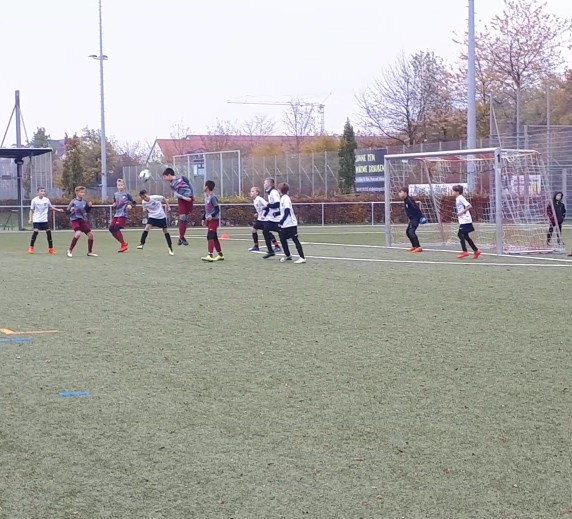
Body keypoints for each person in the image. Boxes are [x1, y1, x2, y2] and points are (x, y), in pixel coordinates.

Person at [136, 190, 174, 255]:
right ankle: (141, 244)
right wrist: (144, 210)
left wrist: (168, 206)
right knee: (147, 228)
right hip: (152, 216)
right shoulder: (143, 202)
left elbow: (164, 198)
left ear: (147, 194)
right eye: (143, 198)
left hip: (161, 216)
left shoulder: (155, 197)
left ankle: (170, 247)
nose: (145, 198)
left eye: (145, 196)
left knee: (165, 231)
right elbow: (144, 208)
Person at [162, 167, 194, 246]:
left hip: (189, 198)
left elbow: (190, 185)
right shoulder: (171, 184)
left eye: (165, 177)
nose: (165, 179)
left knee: (186, 218)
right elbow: (176, 194)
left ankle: (180, 237)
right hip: (182, 200)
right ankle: (182, 238)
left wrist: (192, 195)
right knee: (182, 217)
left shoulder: (182, 178)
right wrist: (184, 198)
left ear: (169, 175)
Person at [28, 187, 63, 254]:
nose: (43, 192)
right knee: (36, 231)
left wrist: (58, 210)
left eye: (44, 191)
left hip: (44, 219)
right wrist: (30, 219)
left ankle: (51, 248)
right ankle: (31, 247)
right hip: (36, 219)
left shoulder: (46, 200)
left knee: (48, 232)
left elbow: (50, 207)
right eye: (41, 191)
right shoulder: (34, 200)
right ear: (38, 192)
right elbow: (31, 210)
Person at [277, 182, 306, 264]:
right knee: (282, 238)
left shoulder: (285, 198)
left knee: (295, 240)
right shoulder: (283, 198)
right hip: (285, 224)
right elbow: (283, 211)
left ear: (280, 190)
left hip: (290, 224)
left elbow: (287, 210)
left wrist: (281, 221)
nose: (277, 190)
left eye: (278, 189)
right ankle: (288, 255)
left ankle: (302, 257)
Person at [66, 186, 97, 258]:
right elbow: (67, 212)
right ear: (77, 193)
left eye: (84, 192)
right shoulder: (73, 202)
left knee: (90, 235)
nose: (83, 194)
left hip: (82, 220)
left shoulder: (84, 202)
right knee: (78, 234)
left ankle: (89, 252)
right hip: (74, 220)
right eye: (81, 192)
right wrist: (71, 211)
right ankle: (69, 250)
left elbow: (86, 211)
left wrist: (89, 206)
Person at [248, 186, 280, 253]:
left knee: (266, 231)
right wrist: (258, 214)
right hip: (260, 219)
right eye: (251, 191)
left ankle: (277, 246)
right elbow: (261, 209)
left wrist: (264, 215)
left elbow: (268, 207)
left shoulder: (260, 199)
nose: (251, 192)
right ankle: (256, 246)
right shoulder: (255, 200)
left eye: (253, 191)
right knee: (254, 230)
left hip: (265, 219)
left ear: (257, 193)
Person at [452, 184, 480, 259]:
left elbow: (469, 206)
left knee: (460, 234)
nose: (452, 192)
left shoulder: (460, 198)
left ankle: (465, 251)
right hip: (463, 220)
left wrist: (461, 213)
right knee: (465, 236)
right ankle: (476, 250)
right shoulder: (458, 198)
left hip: (465, 220)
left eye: (453, 191)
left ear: (457, 192)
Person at [109, 178, 136, 253]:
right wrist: (114, 204)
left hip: (123, 214)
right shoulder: (115, 194)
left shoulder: (127, 194)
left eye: (121, 185)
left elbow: (134, 203)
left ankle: (123, 244)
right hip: (117, 214)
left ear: (124, 186)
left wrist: (131, 206)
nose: (120, 186)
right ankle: (123, 243)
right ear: (117, 186)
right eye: (119, 185)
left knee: (116, 228)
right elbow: (115, 202)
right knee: (111, 229)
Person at [201, 180, 224, 262]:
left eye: (204, 185)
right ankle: (220, 255)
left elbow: (217, 209)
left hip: (214, 220)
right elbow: (207, 210)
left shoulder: (213, 197)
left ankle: (210, 255)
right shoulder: (207, 197)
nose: (203, 187)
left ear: (207, 187)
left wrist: (212, 216)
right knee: (214, 237)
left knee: (210, 236)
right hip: (210, 220)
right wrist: (203, 218)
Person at [398, 187, 423, 252]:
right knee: (408, 232)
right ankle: (414, 246)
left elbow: (416, 208)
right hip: (412, 219)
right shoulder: (406, 200)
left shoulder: (409, 199)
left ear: (405, 192)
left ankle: (418, 247)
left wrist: (421, 216)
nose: (399, 194)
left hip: (415, 218)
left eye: (400, 192)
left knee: (411, 232)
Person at [262, 177, 282, 259]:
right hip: (272, 219)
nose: (264, 184)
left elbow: (277, 204)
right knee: (265, 231)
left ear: (269, 184)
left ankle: (287, 253)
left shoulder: (273, 192)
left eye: (265, 183)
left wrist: (268, 205)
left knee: (283, 235)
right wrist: (266, 209)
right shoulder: (270, 193)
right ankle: (270, 251)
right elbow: (272, 205)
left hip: (277, 219)